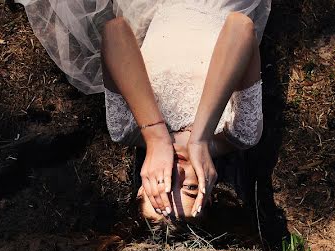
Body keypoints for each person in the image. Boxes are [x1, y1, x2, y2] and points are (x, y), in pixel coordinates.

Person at [17, 0, 270, 221]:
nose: (177, 171)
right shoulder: (240, 133)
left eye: (164, 183)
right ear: (211, 189)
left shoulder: (126, 129)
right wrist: (200, 137)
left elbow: (116, 31)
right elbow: (240, 26)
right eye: (191, 187)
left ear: (142, 189)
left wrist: (156, 136)